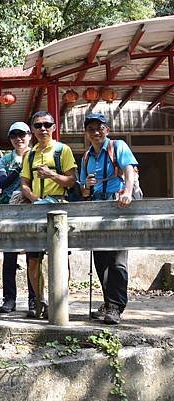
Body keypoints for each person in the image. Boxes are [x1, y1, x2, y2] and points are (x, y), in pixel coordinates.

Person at [80, 113, 138, 325]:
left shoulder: (117, 146)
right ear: (86, 133)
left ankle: (115, 306)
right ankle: (108, 302)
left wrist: (128, 192)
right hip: (97, 208)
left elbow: (128, 169)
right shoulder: (86, 157)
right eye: (91, 129)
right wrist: (86, 184)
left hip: (118, 206)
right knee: (101, 260)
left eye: (99, 127)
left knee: (117, 260)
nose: (95, 132)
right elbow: (84, 192)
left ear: (107, 129)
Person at [20, 111, 77, 318]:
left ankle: (59, 301)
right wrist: (36, 200)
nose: (42, 129)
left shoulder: (63, 150)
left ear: (54, 127)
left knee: (60, 257)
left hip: (59, 206)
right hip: (36, 208)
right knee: (33, 259)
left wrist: (52, 174)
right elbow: (24, 184)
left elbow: (71, 181)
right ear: (32, 130)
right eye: (37, 126)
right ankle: (40, 300)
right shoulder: (30, 154)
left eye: (46, 124)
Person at [0, 122, 35, 313]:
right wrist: (21, 167)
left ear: (30, 135)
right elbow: (2, 181)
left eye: (23, 134)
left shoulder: (37, 154)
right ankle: (9, 298)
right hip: (9, 210)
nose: (19, 139)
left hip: (31, 209)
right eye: (14, 135)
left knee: (33, 256)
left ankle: (34, 299)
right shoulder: (5, 159)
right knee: (9, 256)